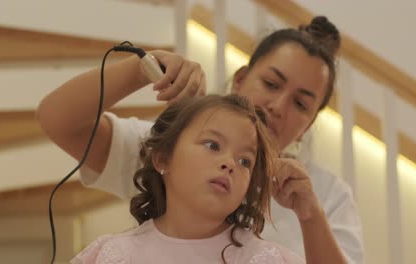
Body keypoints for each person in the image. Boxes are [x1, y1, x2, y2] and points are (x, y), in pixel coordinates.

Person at [38, 16, 362, 263]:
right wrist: (142, 69)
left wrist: (310, 216)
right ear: (161, 160)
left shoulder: (328, 195)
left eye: (301, 104)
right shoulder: (173, 145)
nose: (278, 107)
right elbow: (58, 119)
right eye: (271, 83)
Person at [71, 94, 307, 263]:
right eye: (212, 145)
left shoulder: (265, 259)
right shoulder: (117, 254)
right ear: (163, 159)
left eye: (245, 161)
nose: (230, 164)